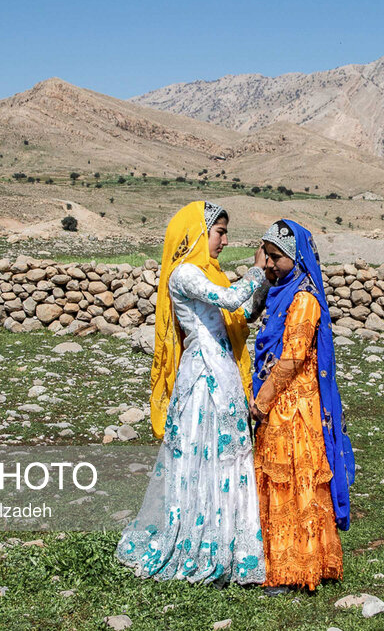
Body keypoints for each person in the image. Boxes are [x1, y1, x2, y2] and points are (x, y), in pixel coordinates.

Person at [115, 201, 269, 586]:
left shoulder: (210, 274)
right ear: (200, 233)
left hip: (223, 371)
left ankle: (228, 542)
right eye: (219, 232)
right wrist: (258, 269)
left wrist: (262, 284)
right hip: (203, 375)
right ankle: (198, 541)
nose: (224, 240)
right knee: (204, 452)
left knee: (226, 453)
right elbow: (233, 300)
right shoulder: (184, 274)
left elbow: (243, 312)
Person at [249, 219, 355, 592]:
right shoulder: (280, 292)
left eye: (276, 257)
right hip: (278, 404)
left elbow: (292, 358)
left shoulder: (304, 298)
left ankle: (296, 569)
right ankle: (280, 562)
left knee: (294, 482)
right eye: (268, 256)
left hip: (294, 407)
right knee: (281, 483)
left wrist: (261, 401)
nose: (269, 264)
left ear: (295, 257)